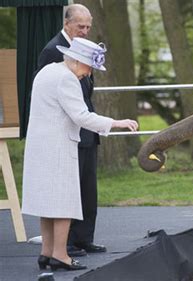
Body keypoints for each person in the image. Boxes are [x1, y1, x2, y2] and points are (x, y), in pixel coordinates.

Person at [22, 37, 139, 271]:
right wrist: (117, 122)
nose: (88, 74)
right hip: (59, 147)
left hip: (40, 146)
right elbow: (81, 116)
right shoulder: (67, 78)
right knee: (64, 202)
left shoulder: (47, 71)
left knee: (47, 202)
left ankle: (46, 252)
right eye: (89, 67)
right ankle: (60, 254)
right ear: (77, 61)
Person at [36, 4, 104, 256]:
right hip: (68, 130)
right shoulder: (53, 50)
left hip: (86, 127)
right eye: (80, 26)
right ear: (67, 24)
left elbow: (85, 91)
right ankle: (66, 244)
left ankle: (84, 237)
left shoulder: (83, 49)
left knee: (87, 188)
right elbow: (47, 93)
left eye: (88, 27)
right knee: (69, 189)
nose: (85, 31)